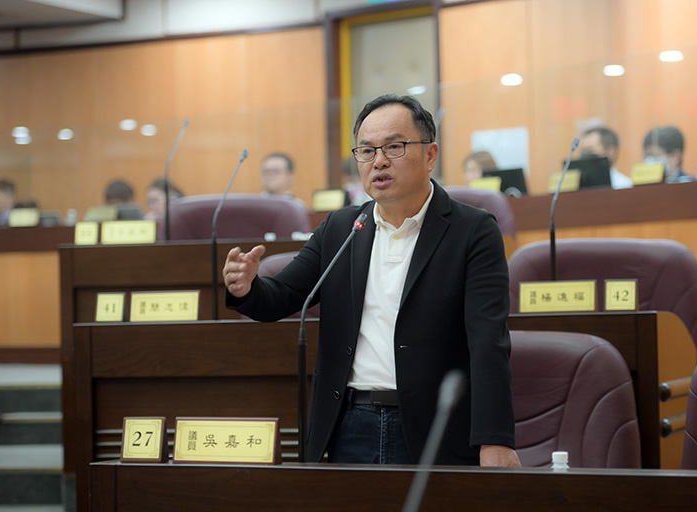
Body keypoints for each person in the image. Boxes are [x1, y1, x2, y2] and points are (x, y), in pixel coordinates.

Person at [223, 94, 520, 467]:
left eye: (394, 147)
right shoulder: (342, 228)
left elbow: (488, 341)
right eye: (366, 151)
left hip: (436, 429)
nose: (378, 161)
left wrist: (495, 439)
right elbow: (281, 295)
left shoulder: (472, 231)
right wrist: (247, 287)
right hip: (348, 424)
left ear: (430, 155)